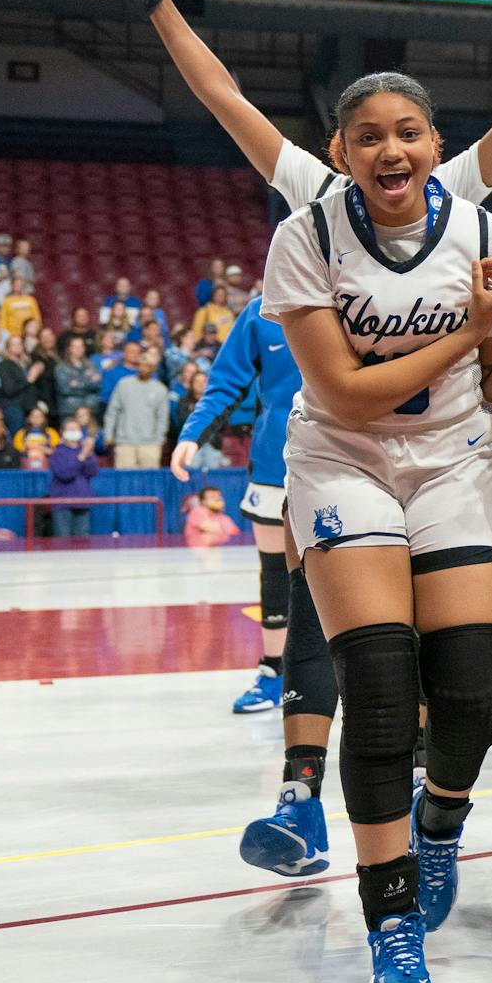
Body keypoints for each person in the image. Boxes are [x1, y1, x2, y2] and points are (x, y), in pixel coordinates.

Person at [260, 70, 492, 983]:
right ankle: (391, 920)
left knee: (475, 702)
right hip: (343, 459)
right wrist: (476, 330)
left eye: (407, 132)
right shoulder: (304, 238)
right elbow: (347, 392)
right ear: (341, 155)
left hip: (451, 461)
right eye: (367, 137)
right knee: (381, 689)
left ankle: (439, 826)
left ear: (436, 145)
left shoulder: (486, 236)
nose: (389, 151)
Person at [174, 294, 304, 717]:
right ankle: (274, 673)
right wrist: (192, 434)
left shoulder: (362, 295)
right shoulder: (261, 311)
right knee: (276, 576)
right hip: (273, 463)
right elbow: (227, 381)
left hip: (350, 463)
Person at [104, 352, 170, 469]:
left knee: (149, 481)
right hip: (124, 442)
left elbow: (162, 418)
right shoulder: (123, 384)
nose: (142, 368)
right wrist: (109, 434)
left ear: (153, 368)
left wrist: (158, 440)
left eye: (147, 366)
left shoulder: (160, 389)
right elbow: (112, 412)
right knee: (125, 482)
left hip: (150, 444)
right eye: (140, 365)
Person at [50, 422, 101, 536]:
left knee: (82, 542)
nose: (73, 432)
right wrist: (81, 457)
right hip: (63, 504)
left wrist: (89, 454)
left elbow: (92, 472)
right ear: (63, 432)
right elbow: (64, 474)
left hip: (82, 502)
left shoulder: (86, 451)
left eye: (76, 429)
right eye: (70, 429)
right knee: (63, 541)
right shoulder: (58, 452)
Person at [54, 335, 102, 421]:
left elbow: (98, 384)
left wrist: (77, 383)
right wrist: (88, 381)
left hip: (91, 410)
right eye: (75, 346)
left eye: (81, 346)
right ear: (69, 349)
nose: (78, 349)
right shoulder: (61, 367)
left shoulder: (92, 365)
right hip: (70, 411)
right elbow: (65, 389)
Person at [190, 285, 236, 349]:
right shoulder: (204, 311)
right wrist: (198, 347)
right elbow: (196, 331)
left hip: (226, 347)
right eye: (218, 294)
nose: (220, 296)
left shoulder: (229, 313)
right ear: (213, 295)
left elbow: (233, 330)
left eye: (223, 295)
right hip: (210, 348)